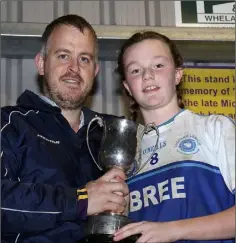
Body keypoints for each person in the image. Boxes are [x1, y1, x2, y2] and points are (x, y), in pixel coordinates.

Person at [1, 15, 129, 243]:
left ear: (95, 71)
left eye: (84, 59)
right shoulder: (11, 124)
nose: (74, 68)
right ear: (41, 64)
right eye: (63, 56)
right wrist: (80, 200)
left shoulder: (111, 134)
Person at [113, 31, 235, 243]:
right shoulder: (123, 155)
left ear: (178, 74)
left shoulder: (216, 129)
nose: (147, 75)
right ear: (127, 88)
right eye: (135, 70)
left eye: (158, 65)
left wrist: (173, 230)